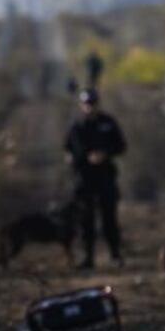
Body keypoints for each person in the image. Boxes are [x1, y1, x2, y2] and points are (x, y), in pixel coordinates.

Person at [63, 88, 127, 269]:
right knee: (86, 220)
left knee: (109, 218)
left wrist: (104, 154)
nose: (90, 107)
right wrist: (77, 158)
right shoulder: (77, 125)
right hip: (84, 180)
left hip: (106, 177)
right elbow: (67, 149)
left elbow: (121, 146)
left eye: (92, 103)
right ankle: (88, 257)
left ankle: (115, 254)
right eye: (86, 104)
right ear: (81, 105)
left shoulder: (108, 123)